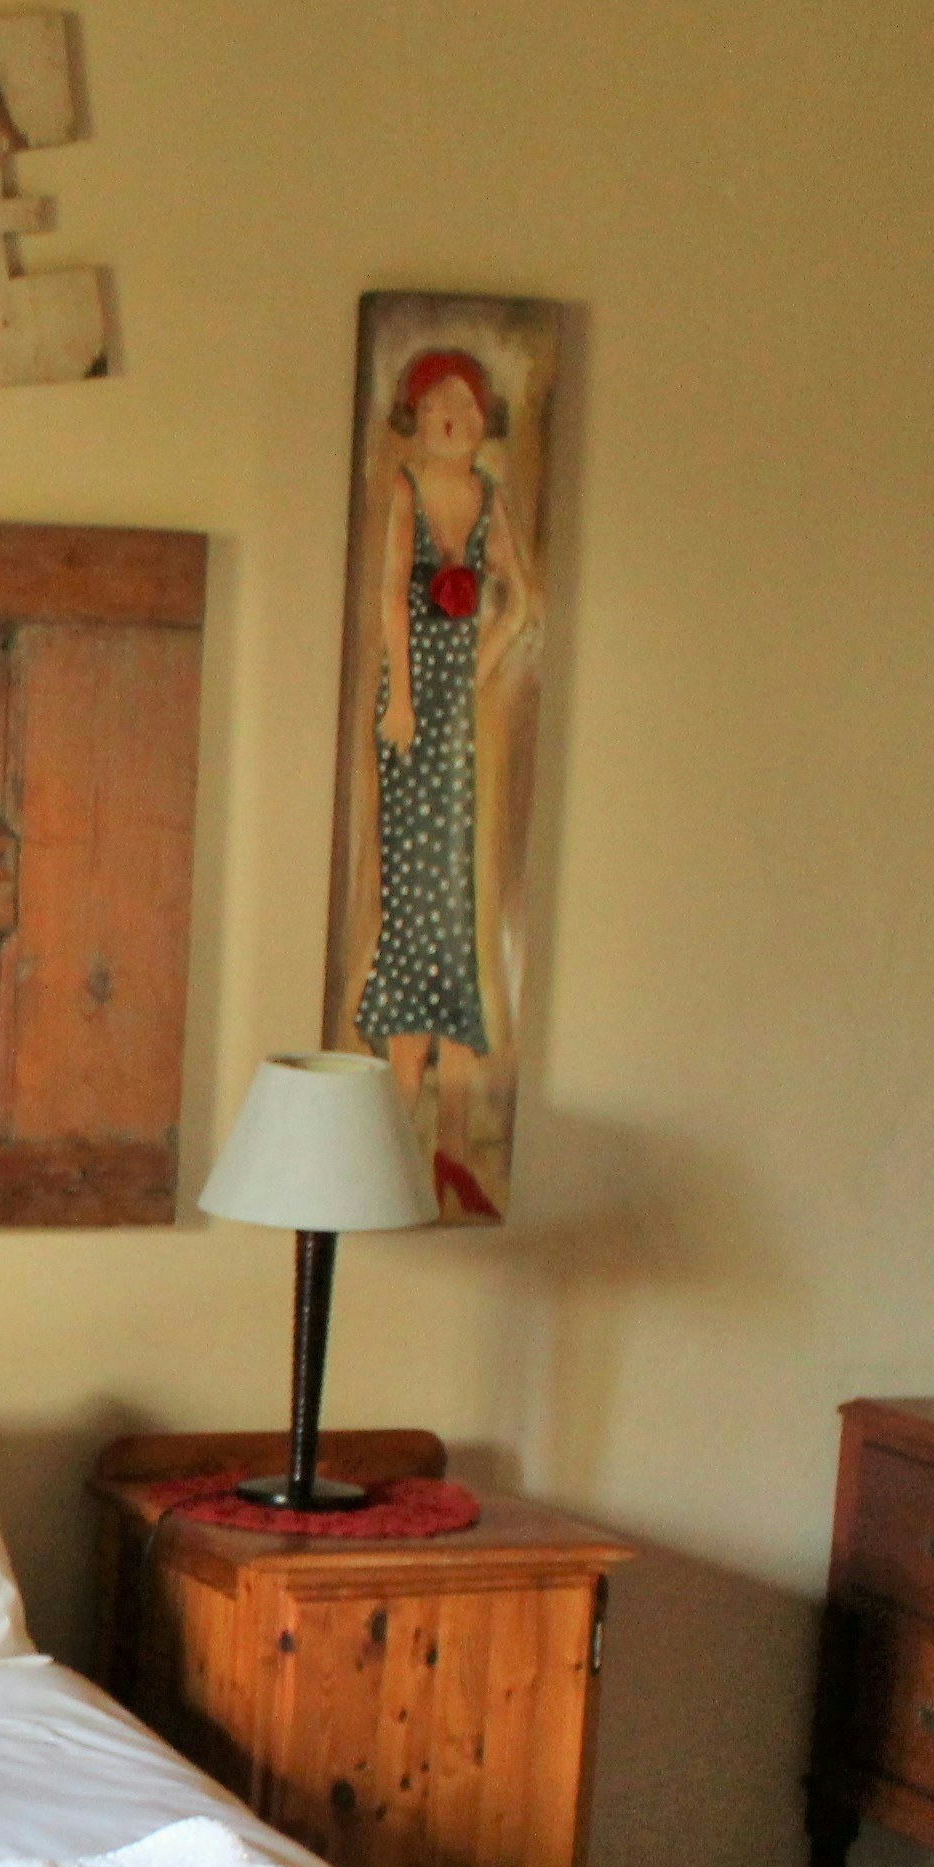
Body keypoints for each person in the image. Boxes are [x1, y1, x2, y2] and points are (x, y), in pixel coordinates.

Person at [346, 345, 539, 1219]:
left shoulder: (489, 498)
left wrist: (475, 669)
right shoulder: (406, 489)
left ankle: (450, 1151)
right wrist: (403, 696)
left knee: (454, 908)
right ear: (414, 420)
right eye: (433, 410)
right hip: (410, 718)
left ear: (482, 418)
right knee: (414, 901)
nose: (449, 422)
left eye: (462, 408)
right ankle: (400, 1143)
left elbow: (521, 600)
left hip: (451, 717)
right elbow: (393, 595)